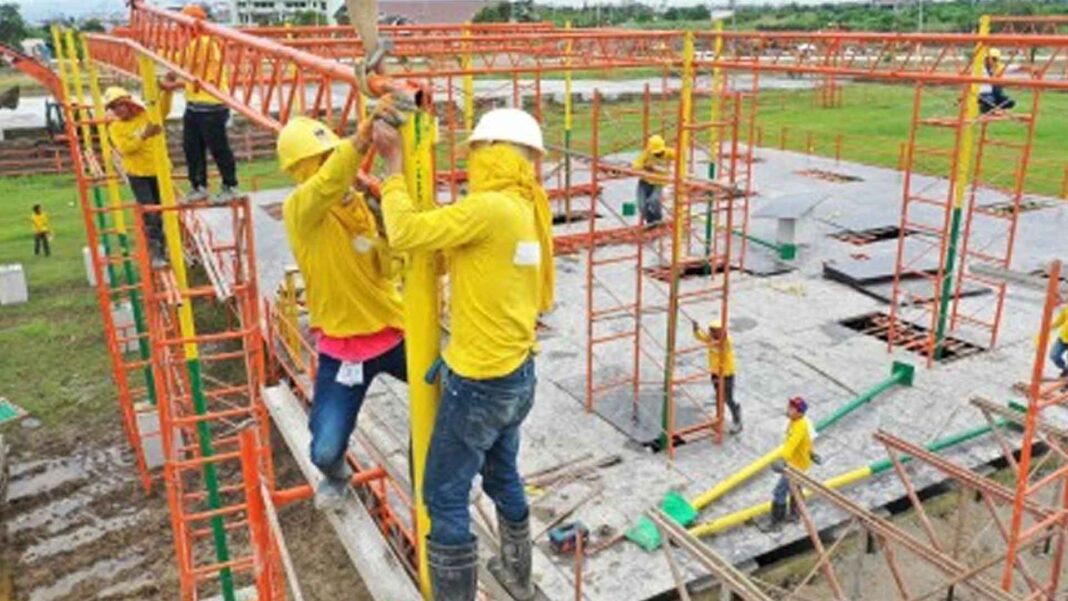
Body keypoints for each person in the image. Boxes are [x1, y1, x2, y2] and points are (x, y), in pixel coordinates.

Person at [372, 107, 554, 601]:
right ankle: (517, 576)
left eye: (476, 154)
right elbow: (480, 262)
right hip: (517, 374)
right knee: (502, 476)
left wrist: (392, 170)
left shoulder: (491, 208)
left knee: (444, 496)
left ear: (490, 155)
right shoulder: (526, 208)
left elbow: (406, 233)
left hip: (479, 382)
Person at [276, 107, 408, 510]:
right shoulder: (302, 210)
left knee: (451, 391)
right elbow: (327, 184)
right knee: (325, 449)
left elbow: (385, 268)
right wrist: (363, 137)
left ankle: (429, 462)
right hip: (343, 347)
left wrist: (386, 230)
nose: (339, 169)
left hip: (392, 331)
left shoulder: (358, 209)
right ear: (305, 170)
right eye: (325, 160)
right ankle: (336, 475)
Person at [163, 4, 239, 203]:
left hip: (211, 105)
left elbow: (197, 75)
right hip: (195, 104)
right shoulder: (194, 44)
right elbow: (187, 70)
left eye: (184, 25)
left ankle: (229, 186)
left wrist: (173, 81)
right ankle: (199, 186)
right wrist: (174, 78)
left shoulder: (204, 43)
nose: (181, 30)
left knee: (218, 147)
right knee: (191, 147)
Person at [105, 85, 172, 269]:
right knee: (151, 213)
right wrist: (144, 135)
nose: (118, 110)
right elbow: (125, 149)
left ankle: (166, 249)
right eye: (113, 107)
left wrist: (167, 90)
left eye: (120, 105)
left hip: (159, 171)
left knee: (164, 211)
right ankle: (156, 253)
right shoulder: (116, 128)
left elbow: (163, 110)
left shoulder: (146, 116)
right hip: (138, 175)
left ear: (128, 103)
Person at [763, 396, 814, 531]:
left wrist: (782, 459)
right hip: (800, 462)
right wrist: (811, 453)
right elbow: (807, 440)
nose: (788, 410)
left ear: (800, 413)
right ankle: (795, 514)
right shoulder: (796, 421)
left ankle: (776, 523)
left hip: (794, 466)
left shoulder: (799, 426)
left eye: (792, 408)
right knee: (795, 489)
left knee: (779, 492)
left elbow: (791, 444)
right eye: (789, 407)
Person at [692, 318, 741, 434]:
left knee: (728, 398)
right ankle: (719, 418)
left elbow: (721, 344)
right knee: (719, 397)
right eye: (712, 331)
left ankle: (737, 420)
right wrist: (696, 329)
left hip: (727, 374)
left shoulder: (726, 341)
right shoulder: (711, 338)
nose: (712, 333)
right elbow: (701, 337)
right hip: (715, 373)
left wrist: (715, 338)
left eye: (715, 331)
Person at [632, 134, 676, 226]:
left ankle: (658, 219)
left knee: (654, 200)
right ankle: (651, 221)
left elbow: (681, 155)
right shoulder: (647, 153)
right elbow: (636, 164)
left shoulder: (669, 153)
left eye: (660, 152)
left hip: (659, 182)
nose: (658, 155)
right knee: (641, 206)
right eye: (656, 153)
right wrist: (644, 167)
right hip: (645, 181)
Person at [979, 48, 1016, 114]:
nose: (990, 61)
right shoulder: (980, 69)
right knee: (989, 100)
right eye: (988, 59)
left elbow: (1018, 67)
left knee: (1010, 102)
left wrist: (1033, 70)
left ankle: (996, 109)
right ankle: (987, 109)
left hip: (996, 94)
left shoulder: (999, 68)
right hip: (984, 94)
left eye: (994, 59)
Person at [1049, 301, 1068, 379]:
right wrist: (1049, 327)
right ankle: (1065, 370)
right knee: (1054, 355)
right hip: (1063, 338)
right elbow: (1060, 320)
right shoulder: (1067, 308)